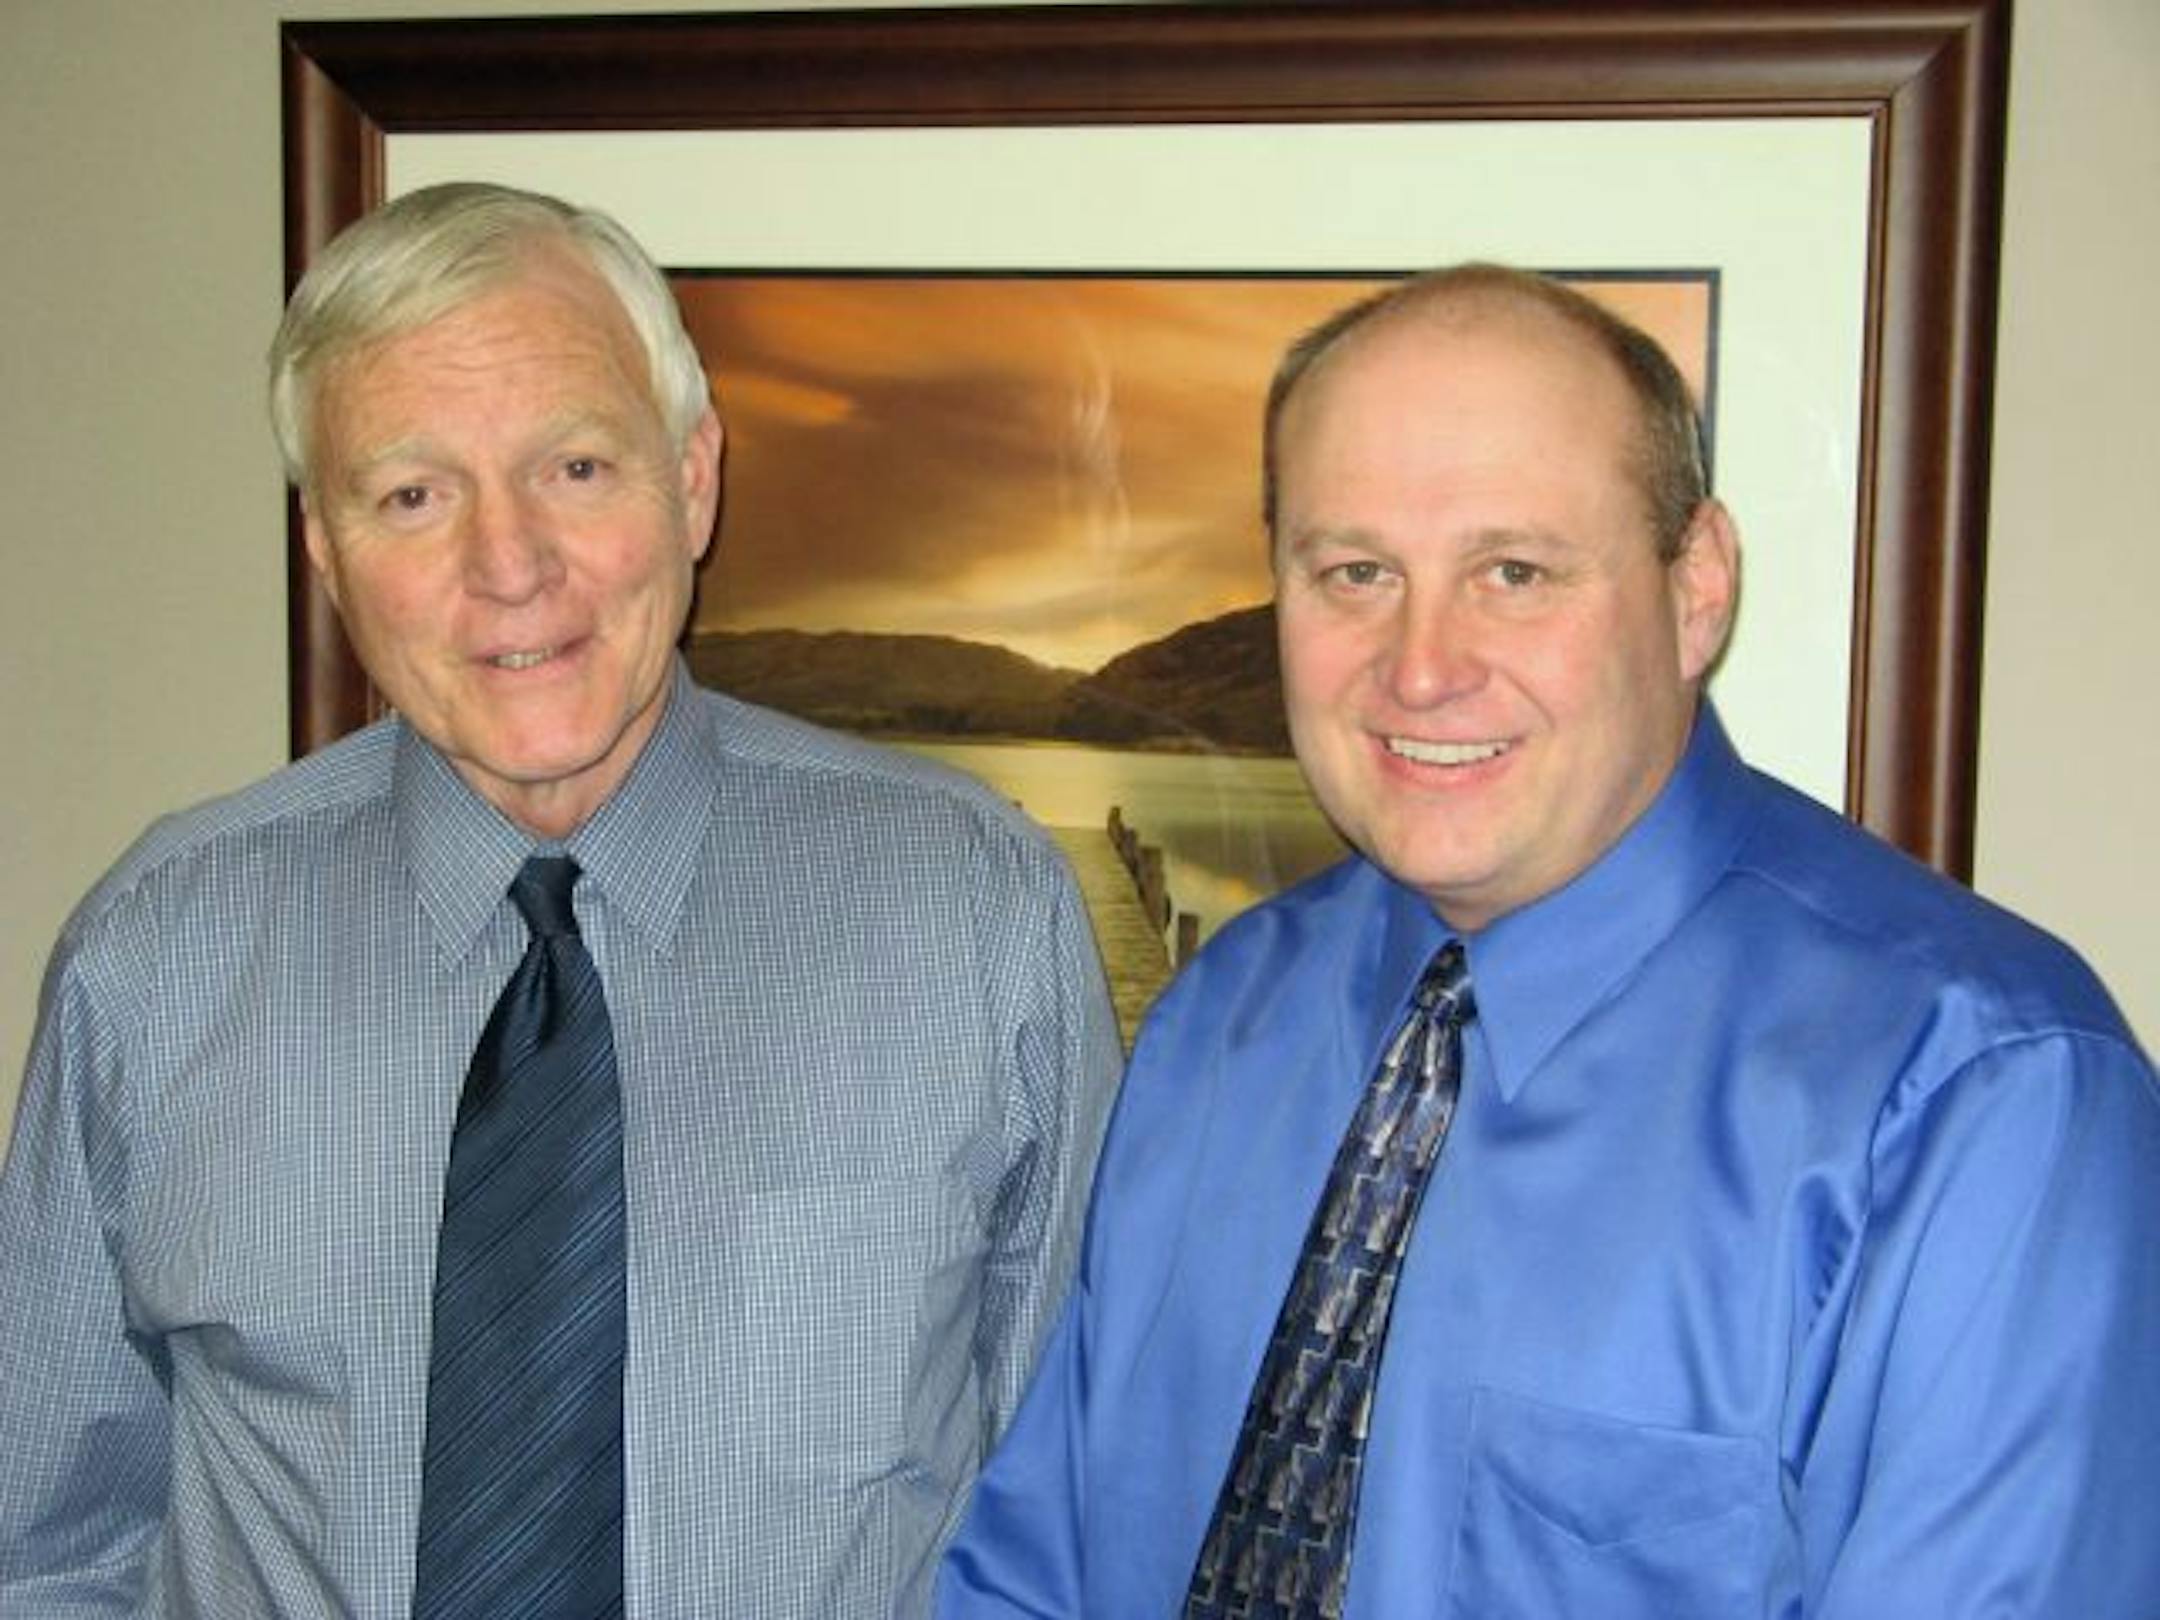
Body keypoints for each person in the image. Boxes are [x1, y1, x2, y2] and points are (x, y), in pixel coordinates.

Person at [935, 264, 2160, 1617]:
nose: (1419, 666)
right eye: (1356, 572)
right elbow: (1035, 1578)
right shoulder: (1224, 1017)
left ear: (1697, 588)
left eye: (1514, 571)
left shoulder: (1980, 1098)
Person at [0, 181, 1122, 1618]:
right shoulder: (156, 959)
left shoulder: (977, 916)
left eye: (576, 469)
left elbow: (1087, 1534)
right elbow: (46, 1556)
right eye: (413, 494)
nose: (509, 567)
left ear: (694, 480)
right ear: (330, 555)